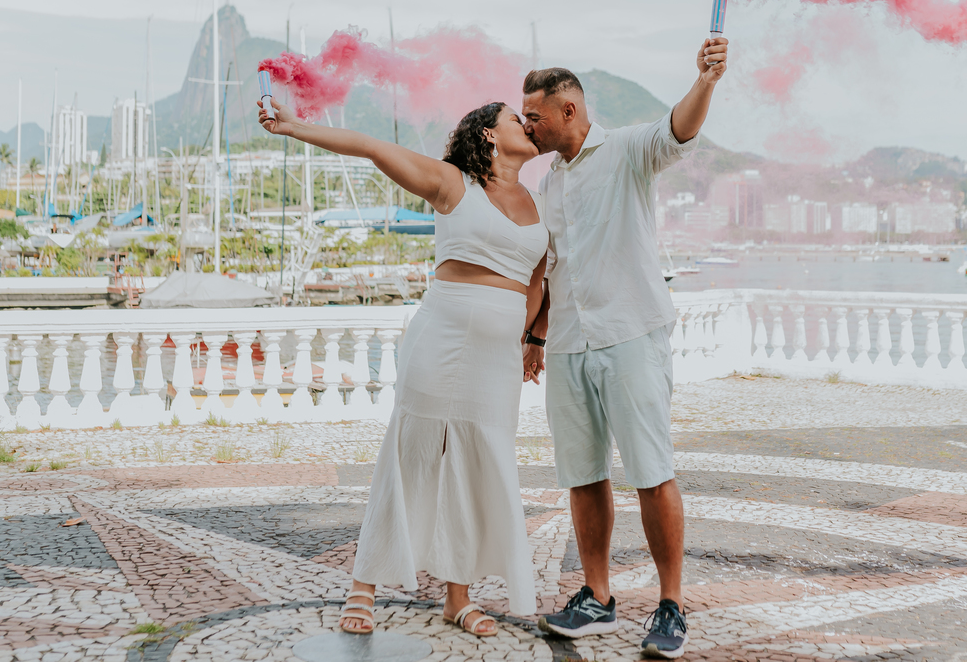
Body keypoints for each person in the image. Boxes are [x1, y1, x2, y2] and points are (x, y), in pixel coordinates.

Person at [257, 97, 548, 636]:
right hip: (443, 335)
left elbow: (537, 280)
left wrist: (531, 339)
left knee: (481, 463)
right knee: (410, 453)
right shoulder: (454, 184)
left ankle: (457, 597)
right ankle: (363, 584)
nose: (527, 125)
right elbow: (370, 147)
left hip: (498, 356)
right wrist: (293, 128)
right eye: (516, 119)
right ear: (487, 134)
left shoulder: (538, 201)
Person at [520, 36, 728, 659]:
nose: (527, 125)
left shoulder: (630, 149)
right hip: (570, 346)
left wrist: (706, 81)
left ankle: (670, 604)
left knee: (650, 472)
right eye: (523, 116)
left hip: (633, 335)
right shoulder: (549, 183)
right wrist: (535, 335)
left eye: (535, 115)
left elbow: (678, 130)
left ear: (569, 111)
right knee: (582, 476)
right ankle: (597, 596)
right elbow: (556, 265)